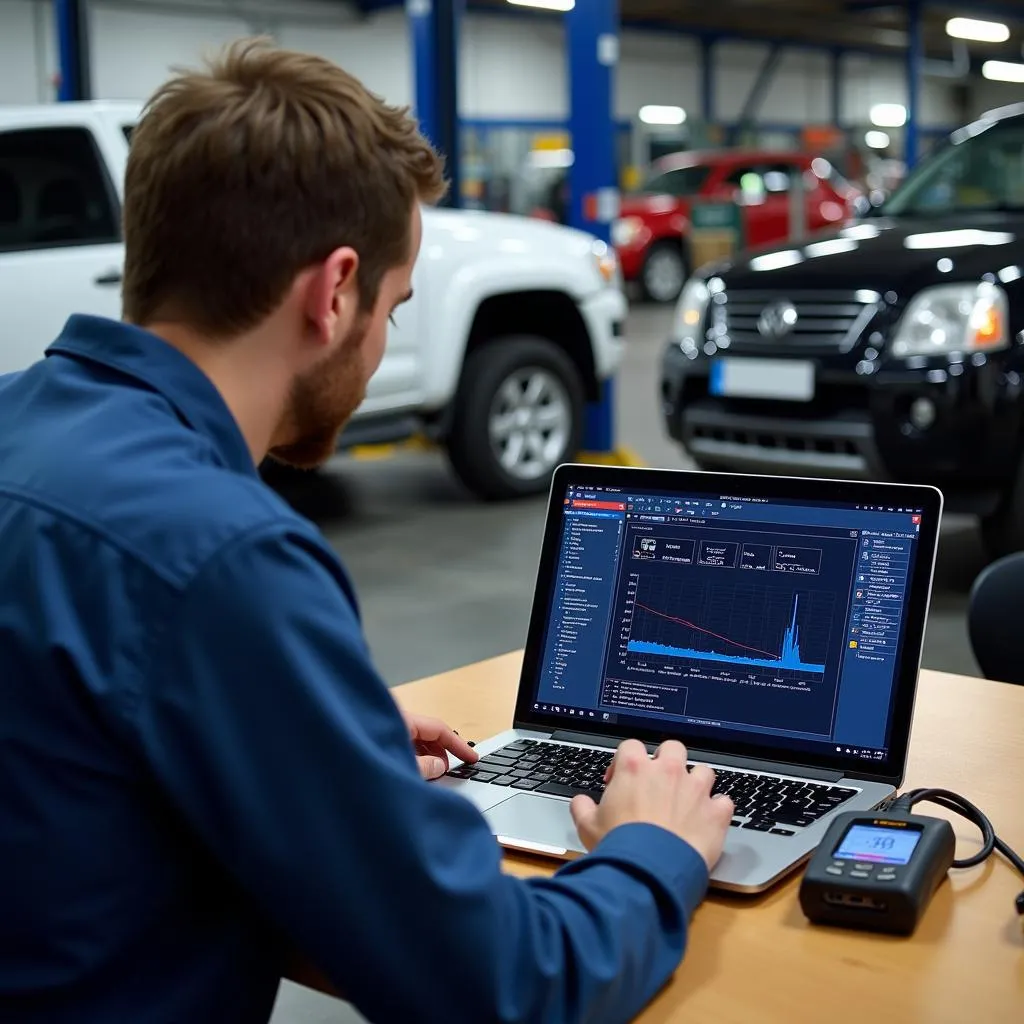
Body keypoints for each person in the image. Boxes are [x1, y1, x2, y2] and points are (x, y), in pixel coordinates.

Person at [0, 41, 733, 1024]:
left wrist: (303, 731)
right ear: (335, 289)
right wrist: (655, 849)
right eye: (394, 305)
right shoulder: (225, 554)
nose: (382, 332)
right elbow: (503, 987)